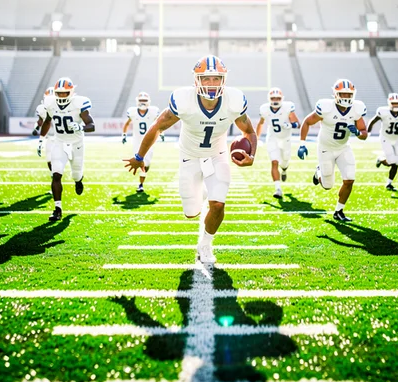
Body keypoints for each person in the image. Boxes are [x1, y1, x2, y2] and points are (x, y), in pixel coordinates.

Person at [124, 55, 256, 264]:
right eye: (206, 78)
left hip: (217, 155)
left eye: (216, 78)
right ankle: (202, 191)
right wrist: (139, 156)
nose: (211, 83)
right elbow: (157, 127)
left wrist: (252, 155)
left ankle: (206, 244)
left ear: (223, 80)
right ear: (197, 80)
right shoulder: (184, 100)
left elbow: (249, 132)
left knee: (218, 204)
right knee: (191, 213)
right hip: (189, 157)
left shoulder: (234, 100)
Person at [298, 78, 368, 223]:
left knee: (349, 179)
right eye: (343, 94)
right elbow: (307, 122)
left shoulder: (357, 109)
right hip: (326, 148)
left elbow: (364, 133)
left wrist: (357, 133)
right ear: (336, 94)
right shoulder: (326, 107)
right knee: (327, 186)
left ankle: (339, 211)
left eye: (349, 94)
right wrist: (302, 144)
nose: (346, 97)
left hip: (343, 148)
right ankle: (318, 172)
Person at [38, 77, 95, 221]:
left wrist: (81, 127)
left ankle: (78, 180)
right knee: (56, 174)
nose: (62, 95)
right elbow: (47, 121)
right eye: (59, 93)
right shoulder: (50, 103)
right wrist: (41, 139)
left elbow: (91, 125)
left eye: (65, 93)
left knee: (76, 174)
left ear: (71, 92)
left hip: (76, 144)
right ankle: (57, 209)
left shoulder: (79, 103)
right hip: (60, 143)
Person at [256, 87, 300, 199]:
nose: (275, 100)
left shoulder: (287, 107)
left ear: (282, 98)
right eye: (273, 98)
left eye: (278, 98)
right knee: (274, 162)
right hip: (272, 138)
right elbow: (261, 123)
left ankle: (284, 169)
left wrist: (290, 125)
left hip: (285, 139)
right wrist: (256, 138)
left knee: (284, 161)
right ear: (269, 99)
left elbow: (297, 124)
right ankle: (278, 189)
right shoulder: (264, 109)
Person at [367, 92, 398, 192]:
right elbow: (372, 121)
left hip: (396, 139)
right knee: (391, 162)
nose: (395, 105)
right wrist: (367, 132)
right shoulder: (383, 111)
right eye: (393, 103)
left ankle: (389, 183)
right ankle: (381, 159)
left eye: (397, 103)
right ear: (389, 103)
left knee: (396, 163)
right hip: (385, 138)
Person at [121, 91, 162, 193]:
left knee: (146, 163)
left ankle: (142, 179)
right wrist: (124, 135)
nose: (142, 102)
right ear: (137, 101)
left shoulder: (153, 111)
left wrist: (162, 134)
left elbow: (159, 124)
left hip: (150, 140)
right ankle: (141, 184)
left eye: (144, 100)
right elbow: (127, 124)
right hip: (137, 141)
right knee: (140, 161)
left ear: (148, 101)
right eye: (141, 100)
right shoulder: (132, 112)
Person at [34, 87, 55, 176]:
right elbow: (40, 121)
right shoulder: (41, 108)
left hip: (63, 137)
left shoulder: (63, 108)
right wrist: (36, 128)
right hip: (50, 137)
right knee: (49, 158)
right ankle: (53, 175)